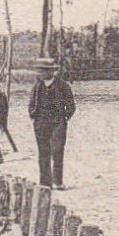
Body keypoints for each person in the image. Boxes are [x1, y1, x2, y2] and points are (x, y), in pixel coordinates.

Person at [27, 58, 75, 189]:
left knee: (57, 151)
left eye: (42, 71)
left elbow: (71, 106)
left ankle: (57, 182)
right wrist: (33, 114)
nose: (39, 73)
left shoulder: (63, 86)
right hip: (41, 124)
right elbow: (31, 103)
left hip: (58, 124)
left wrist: (64, 118)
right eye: (39, 71)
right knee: (43, 153)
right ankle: (45, 182)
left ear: (51, 72)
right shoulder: (37, 86)